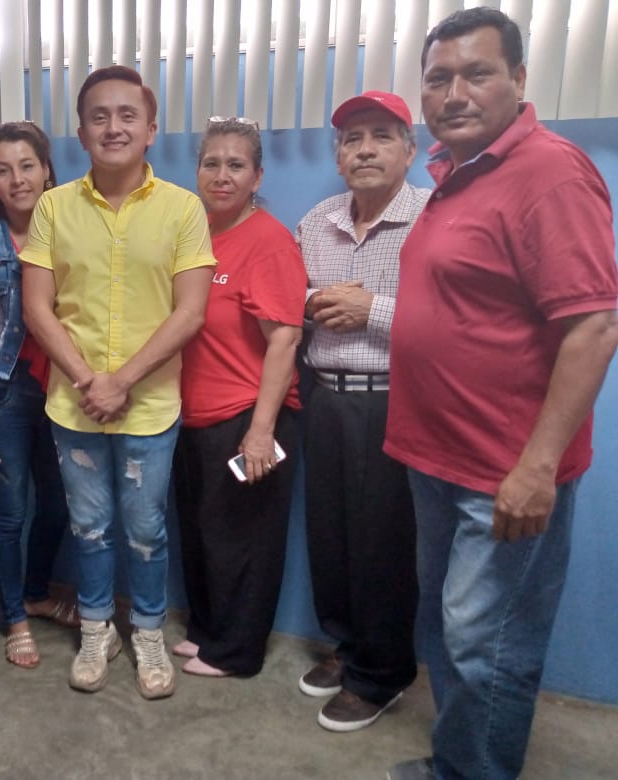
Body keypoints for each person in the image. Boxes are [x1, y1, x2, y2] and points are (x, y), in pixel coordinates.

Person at [383, 8, 618, 780]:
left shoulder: (550, 173)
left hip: (504, 472)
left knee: (489, 648)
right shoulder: (455, 174)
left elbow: (594, 329)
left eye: (476, 73)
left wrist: (537, 468)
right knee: (453, 635)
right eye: (438, 79)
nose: (454, 93)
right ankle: (457, 764)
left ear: (518, 79)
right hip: (438, 459)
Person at [21, 65, 216, 700]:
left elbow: (190, 311)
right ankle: (97, 629)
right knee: (90, 526)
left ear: (151, 129)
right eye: (98, 116)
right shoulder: (52, 207)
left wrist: (123, 379)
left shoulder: (183, 208)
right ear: (81, 132)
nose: (113, 127)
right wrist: (88, 380)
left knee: (145, 529)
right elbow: (37, 308)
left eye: (127, 115)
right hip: (74, 404)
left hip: (150, 405)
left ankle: (149, 631)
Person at [295, 91, 428, 733]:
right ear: (338, 156)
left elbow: (454, 320)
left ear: (410, 148)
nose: (365, 150)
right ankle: (348, 648)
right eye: (352, 139)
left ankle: (383, 673)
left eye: (381, 136)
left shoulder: (434, 217)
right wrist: (308, 302)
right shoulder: (318, 220)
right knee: (332, 536)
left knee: (383, 544)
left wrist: (371, 309)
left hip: (394, 401)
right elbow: (288, 293)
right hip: (324, 396)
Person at [171, 117, 305, 679]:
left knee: (243, 541)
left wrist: (261, 430)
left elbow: (285, 340)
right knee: (203, 533)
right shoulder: (194, 234)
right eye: (212, 163)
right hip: (192, 415)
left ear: (257, 177)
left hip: (247, 414)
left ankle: (237, 652)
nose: (222, 175)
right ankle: (208, 632)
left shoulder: (268, 241)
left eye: (236, 165)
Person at [0, 121, 77, 670]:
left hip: (64, 389)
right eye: (2, 171)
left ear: (47, 170)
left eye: (27, 166)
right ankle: (14, 617)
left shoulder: (74, 230)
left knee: (60, 503)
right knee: (10, 512)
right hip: (6, 393)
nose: (18, 179)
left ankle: (36, 593)